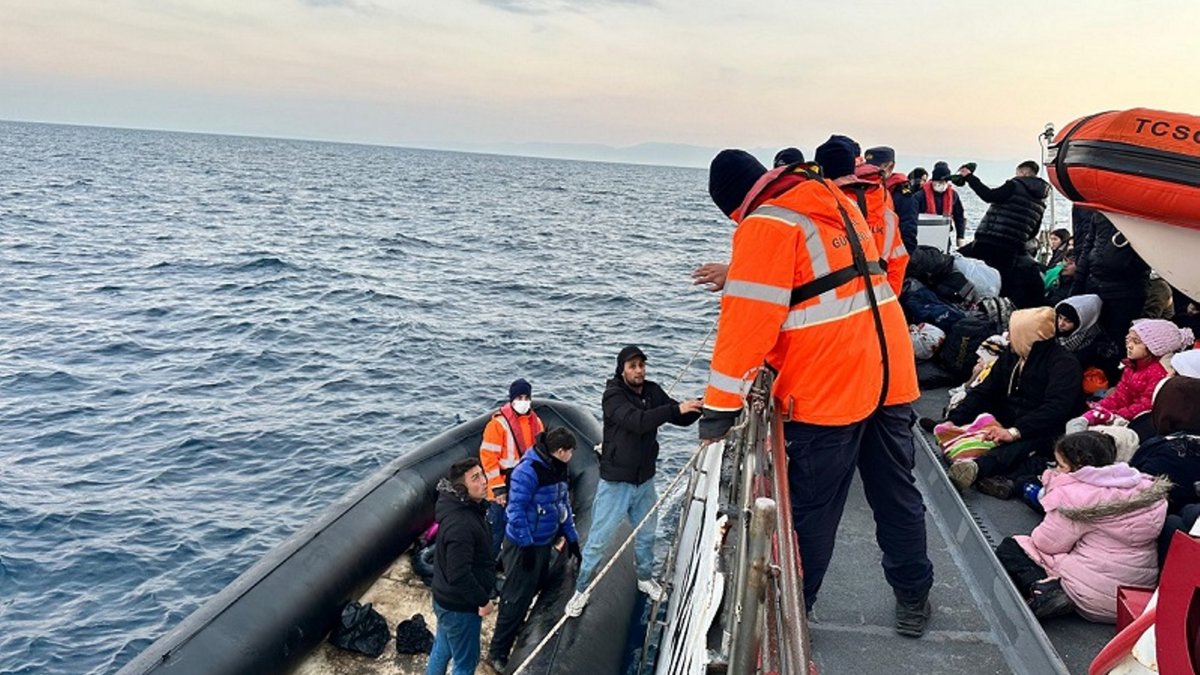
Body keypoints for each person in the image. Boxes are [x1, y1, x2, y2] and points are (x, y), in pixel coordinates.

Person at [695, 144, 935, 637]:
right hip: (890, 371)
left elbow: (748, 323)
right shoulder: (832, 198)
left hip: (829, 387)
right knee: (896, 494)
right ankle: (914, 597)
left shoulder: (764, 222)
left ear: (732, 204)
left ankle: (788, 620)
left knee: (810, 514)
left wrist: (718, 410)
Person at [565, 345, 702, 617]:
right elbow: (638, 421)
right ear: (622, 369)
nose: (638, 371)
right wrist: (675, 409)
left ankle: (644, 577)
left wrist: (704, 405)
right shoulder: (613, 396)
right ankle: (580, 591)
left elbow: (678, 417)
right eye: (632, 366)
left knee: (648, 533)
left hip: (644, 480)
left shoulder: (651, 390)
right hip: (616, 482)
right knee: (599, 540)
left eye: (641, 365)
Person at [994, 432, 1168, 623]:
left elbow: (1046, 543)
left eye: (1060, 465)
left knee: (1012, 547)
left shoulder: (1077, 497)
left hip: (1090, 595)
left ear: (1076, 467)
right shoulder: (1141, 489)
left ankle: (1048, 589)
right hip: (1132, 596)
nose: (1056, 470)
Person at [945, 308, 1084, 497]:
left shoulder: (1064, 364)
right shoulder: (1013, 354)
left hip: (1047, 426)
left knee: (1024, 445)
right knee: (981, 408)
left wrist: (1014, 432)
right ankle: (954, 432)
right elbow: (987, 389)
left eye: (1014, 333)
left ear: (1028, 336)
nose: (1008, 337)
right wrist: (955, 418)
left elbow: (1055, 410)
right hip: (1015, 413)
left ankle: (976, 468)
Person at [487, 428, 581, 671]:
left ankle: (516, 628)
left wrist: (572, 538)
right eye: (570, 451)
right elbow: (515, 510)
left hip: (543, 541)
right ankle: (497, 651)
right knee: (514, 597)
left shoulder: (558, 469)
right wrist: (526, 544)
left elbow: (562, 504)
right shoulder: (527, 472)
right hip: (523, 545)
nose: (571, 456)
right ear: (559, 452)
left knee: (533, 588)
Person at [1066, 319, 1194, 439]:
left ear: (1154, 347)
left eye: (1136, 342)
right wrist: (1100, 408)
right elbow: (1121, 395)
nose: (1129, 346)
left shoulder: (1158, 374)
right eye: (1128, 340)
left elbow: (1145, 405)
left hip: (1134, 424)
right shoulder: (1131, 365)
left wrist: (1113, 415)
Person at [427, 458, 496, 675]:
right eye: (475, 478)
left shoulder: (461, 510)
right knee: (466, 664)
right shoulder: (462, 525)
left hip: (444, 600)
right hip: (460, 608)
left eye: (482, 475)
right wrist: (483, 601)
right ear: (460, 488)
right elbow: (459, 574)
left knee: (443, 647)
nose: (484, 481)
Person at [816, 137, 907, 296]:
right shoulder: (884, 201)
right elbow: (899, 259)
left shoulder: (820, 206)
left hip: (840, 300)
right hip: (881, 293)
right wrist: (890, 300)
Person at [954, 161, 1051, 309]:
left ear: (1023, 173)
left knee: (960, 263)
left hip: (990, 239)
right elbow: (1034, 231)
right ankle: (997, 311)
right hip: (1012, 247)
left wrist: (969, 177)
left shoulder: (1015, 185)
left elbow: (988, 195)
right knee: (1000, 282)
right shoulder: (1041, 198)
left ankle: (965, 304)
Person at [479, 378, 545, 557]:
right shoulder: (498, 425)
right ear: (512, 399)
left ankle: (509, 562)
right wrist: (498, 489)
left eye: (526, 397)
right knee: (497, 531)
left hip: (523, 485)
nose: (523, 401)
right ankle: (489, 565)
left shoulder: (536, 422)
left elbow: (539, 453)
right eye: (519, 397)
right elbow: (488, 458)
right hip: (502, 486)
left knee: (519, 527)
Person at [1071, 206, 1150, 354]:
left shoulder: (1140, 212)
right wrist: (1078, 281)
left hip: (1125, 291)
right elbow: (1088, 245)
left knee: (1118, 342)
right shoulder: (1100, 213)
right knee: (1095, 339)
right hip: (1097, 285)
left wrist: (1123, 264)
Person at [1054, 294, 1120, 389]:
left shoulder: (1096, 343)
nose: (1061, 324)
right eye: (1059, 317)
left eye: (1068, 321)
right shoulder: (1050, 331)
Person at [864, 145, 919, 254]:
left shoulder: (902, 196)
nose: (873, 171)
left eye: (878, 167)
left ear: (891, 167)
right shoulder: (862, 189)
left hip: (891, 254)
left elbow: (908, 232)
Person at [913, 161, 965, 246]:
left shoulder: (953, 195)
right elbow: (911, 216)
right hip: (923, 235)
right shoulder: (920, 196)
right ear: (933, 180)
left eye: (944, 182)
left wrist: (960, 236)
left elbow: (959, 216)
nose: (941, 184)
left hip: (944, 235)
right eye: (938, 181)